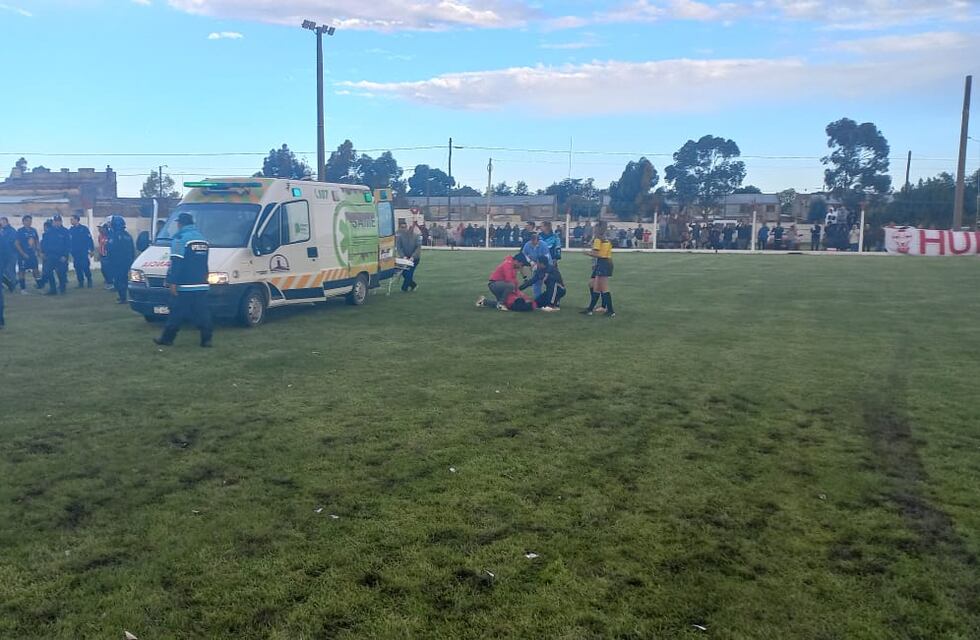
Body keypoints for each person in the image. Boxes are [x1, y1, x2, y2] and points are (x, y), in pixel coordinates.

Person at [155, 212, 213, 347]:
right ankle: (207, 339)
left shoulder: (181, 239)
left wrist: (172, 281)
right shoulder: (202, 239)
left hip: (185, 284)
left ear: (180, 224)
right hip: (201, 283)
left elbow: (177, 262)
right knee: (203, 312)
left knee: (176, 313)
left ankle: (167, 338)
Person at [582, 221, 615, 318]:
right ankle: (590, 310)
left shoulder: (597, 240)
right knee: (596, 287)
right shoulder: (606, 239)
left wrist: (586, 253)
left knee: (604, 288)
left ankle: (611, 311)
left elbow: (596, 254)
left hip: (603, 263)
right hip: (607, 262)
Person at [105, 216, 135, 304]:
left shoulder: (116, 236)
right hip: (125, 261)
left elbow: (112, 248)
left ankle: (123, 298)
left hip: (118, 262)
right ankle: (122, 296)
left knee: (119, 280)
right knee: (122, 279)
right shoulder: (127, 235)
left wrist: (109, 259)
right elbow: (132, 250)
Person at [40, 214, 71, 296]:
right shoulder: (49, 232)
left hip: (61, 256)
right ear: (53, 222)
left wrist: (65, 255)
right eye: (55, 221)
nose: (57, 223)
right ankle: (53, 289)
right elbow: (44, 243)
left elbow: (68, 245)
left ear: (61, 222)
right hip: (50, 255)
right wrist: (42, 252)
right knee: (48, 272)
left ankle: (62, 288)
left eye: (58, 221)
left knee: (61, 273)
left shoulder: (65, 231)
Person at [14, 215, 40, 294]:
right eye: (28, 221)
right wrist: (23, 253)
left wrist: (37, 251)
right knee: (22, 271)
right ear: (24, 221)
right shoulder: (20, 231)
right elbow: (16, 243)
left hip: (32, 254)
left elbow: (37, 241)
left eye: (30, 221)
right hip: (23, 254)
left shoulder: (33, 230)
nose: (29, 222)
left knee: (35, 269)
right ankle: (23, 289)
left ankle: (39, 286)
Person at [68, 214, 95, 288]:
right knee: (77, 267)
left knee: (85, 266)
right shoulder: (71, 230)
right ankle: (81, 282)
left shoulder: (84, 229)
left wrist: (91, 249)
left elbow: (89, 240)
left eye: (72, 219)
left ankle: (89, 280)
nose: (71, 221)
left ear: (77, 220)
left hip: (83, 251)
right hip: (75, 252)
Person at [395, 219, 421, 292]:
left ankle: (404, 288)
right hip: (405, 258)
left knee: (409, 272)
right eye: (402, 227)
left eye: (404, 227)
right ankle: (414, 285)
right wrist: (403, 256)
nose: (403, 229)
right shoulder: (400, 237)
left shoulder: (416, 236)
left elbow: (418, 248)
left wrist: (413, 257)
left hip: (415, 258)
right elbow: (399, 247)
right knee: (404, 273)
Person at [0, 217, 16, 292]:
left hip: (10, 254)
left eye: (2, 222)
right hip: (3, 254)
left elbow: (11, 241)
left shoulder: (11, 231)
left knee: (9, 270)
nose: (1, 224)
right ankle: (10, 284)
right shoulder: (2, 231)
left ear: (6, 222)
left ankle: (12, 284)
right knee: (3, 271)